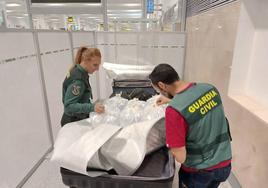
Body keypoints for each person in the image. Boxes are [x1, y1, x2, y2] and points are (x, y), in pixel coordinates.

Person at [149, 64, 232, 188]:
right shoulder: (210, 89)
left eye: (158, 89)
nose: (159, 92)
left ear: (162, 85)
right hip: (224, 164)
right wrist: (172, 101)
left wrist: (166, 145)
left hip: (200, 173)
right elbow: (198, 107)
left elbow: (180, 157)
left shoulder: (174, 111)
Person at [61, 47, 105, 126]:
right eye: (95, 65)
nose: (97, 69)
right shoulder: (78, 80)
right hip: (72, 121)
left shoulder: (78, 71)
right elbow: (69, 106)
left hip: (77, 118)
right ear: (85, 61)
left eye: (98, 65)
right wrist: (92, 107)